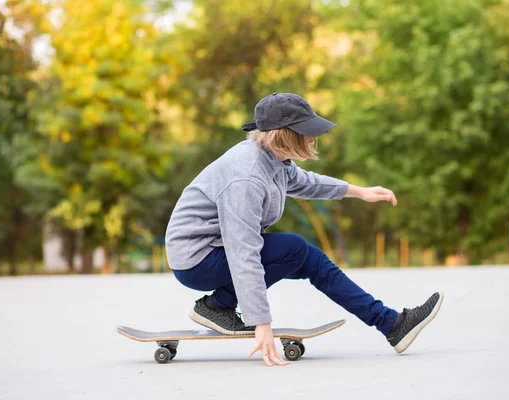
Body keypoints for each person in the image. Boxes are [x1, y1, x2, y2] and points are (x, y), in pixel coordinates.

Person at [165, 92, 444, 367]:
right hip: (198, 258)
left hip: (219, 249)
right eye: (307, 132)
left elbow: (306, 183)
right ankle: (217, 306)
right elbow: (243, 253)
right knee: (294, 248)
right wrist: (261, 323)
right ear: (283, 135)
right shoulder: (246, 177)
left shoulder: (274, 159)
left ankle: (392, 324)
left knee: (311, 259)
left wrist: (359, 192)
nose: (313, 139)